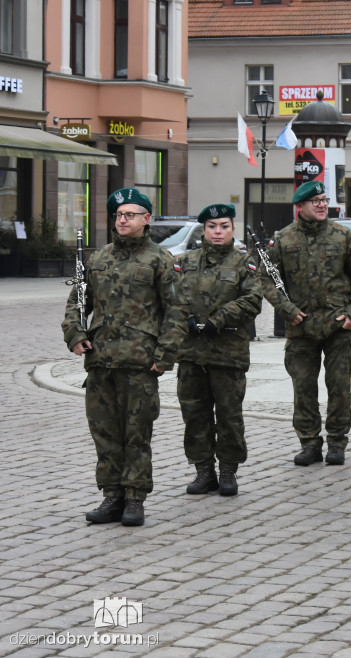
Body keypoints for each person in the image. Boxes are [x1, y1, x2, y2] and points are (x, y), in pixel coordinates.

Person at [62, 187, 188, 527]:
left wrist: (164, 357)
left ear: (146, 219)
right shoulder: (98, 259)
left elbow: (177, 312)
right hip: (101, 362)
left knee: (136, 434)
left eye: (130, 214)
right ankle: (111, 496)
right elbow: (77, 303)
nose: (122, 220)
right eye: (118, 215)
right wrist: (75, 335)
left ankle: (135, 498)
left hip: (140, 363)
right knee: (104, 433)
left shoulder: (161, 259)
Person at [260, 180, 351, 467]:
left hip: (338, 327)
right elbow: (266, 280)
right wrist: (287, 309)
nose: (322, 205)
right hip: (302, 328)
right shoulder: (283, 240)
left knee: (339, 387)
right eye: (315, 201)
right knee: (303, 388)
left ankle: (337, 442)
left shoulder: (343, 236)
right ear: (300, 206)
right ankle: (309, 442)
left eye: (324, 199)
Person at [176, 204, 263, 497]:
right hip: (191, 353)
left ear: (233, 229)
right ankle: (203, 471)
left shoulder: (244, 263)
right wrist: (183, 316)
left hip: (228, 353)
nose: (217, 232)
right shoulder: (185, 261)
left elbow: (252, 300)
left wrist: (218, 320)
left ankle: (228, 470)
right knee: (195, 414)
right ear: (204, 229)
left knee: (229, 415)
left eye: (224, 226)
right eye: (212, 226)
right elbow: (170, 296)